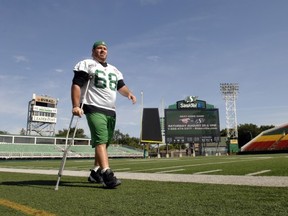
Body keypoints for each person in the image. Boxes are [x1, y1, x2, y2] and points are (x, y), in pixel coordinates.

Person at [71, 41, 137, 188]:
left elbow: (121, 86)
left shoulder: (114, 69)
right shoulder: (87, 64)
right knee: (100, 140)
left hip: (111, 110)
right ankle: (107, 174)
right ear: (93, 50)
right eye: (99, 48)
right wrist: (75, 106)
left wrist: (129, 94)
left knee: (105, 142)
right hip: (93, 106)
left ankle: (96, 172)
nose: (102, 50)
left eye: (105, 48)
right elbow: (76, 84)